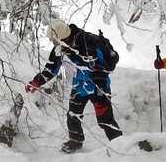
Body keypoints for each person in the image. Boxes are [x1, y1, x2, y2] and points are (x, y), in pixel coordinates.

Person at [25, 18, 122, 152]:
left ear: (62, 37)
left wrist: (96, 72)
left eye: (55, 41)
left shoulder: (88, 42)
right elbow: (50, 69)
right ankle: (75, 141)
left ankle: (121, 145)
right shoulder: (59, 49)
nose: (54, 44)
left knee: (105, 120)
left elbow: (107, 66)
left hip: (98, 87)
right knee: (73, 115)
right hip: (79, 87)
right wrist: (37, 82)